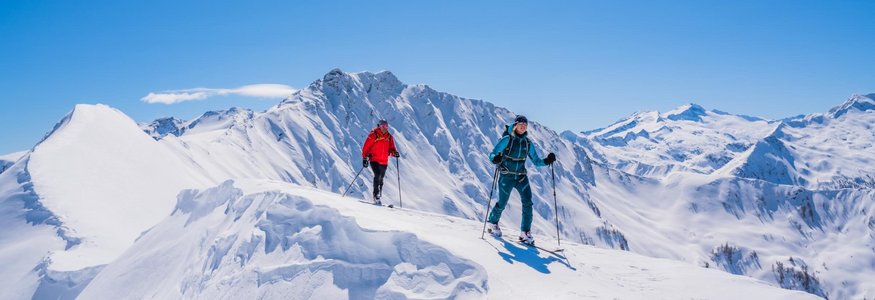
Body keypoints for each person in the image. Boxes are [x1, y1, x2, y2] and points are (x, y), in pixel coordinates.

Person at [486, 115, 556, 245]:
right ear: (516, 125)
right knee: (502, 203)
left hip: (521, 177)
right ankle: (492, 222)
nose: (523, 126)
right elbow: (493, 153)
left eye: (525, 125)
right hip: (506, 176)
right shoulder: (507, 140)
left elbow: (536, 161)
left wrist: (547, 160)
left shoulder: (527, 143)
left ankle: (525, 233)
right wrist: (494, 159)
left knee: (528, 203)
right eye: (521, 124)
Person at [361, 119, 399, 205]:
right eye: (383, 126)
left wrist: (394, 153)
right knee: (377, 175)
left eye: (386, 126)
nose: (384, 128)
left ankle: (379, 195)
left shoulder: (389, 137)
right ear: (379, 126)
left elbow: (391, 149)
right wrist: (365, 158)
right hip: (374, 159)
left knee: (381, 179)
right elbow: (366, 147)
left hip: (384, 161)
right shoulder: (373, 135)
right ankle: (376, 195)